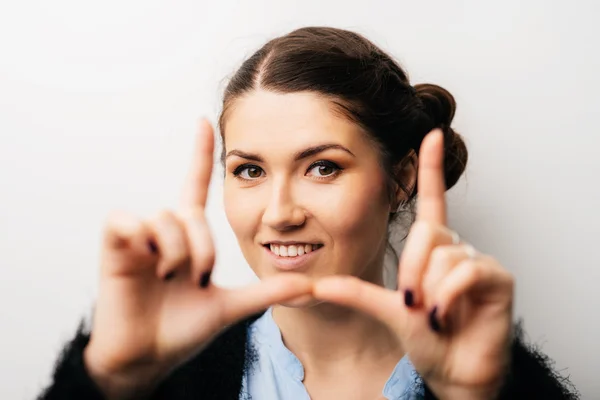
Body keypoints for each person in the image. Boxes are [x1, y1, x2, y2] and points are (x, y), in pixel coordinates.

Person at [38, 26, 579, 400]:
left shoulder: (485, 378)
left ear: (401, 179)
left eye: (322, 167)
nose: (279, 214)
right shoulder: (168, 379)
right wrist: (107, 381)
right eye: (250, 170)